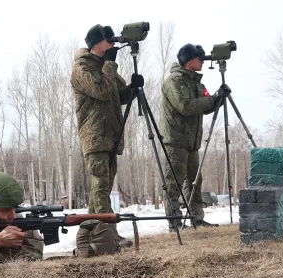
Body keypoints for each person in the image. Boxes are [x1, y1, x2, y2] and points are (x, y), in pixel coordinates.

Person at [70, 23, 143, 247]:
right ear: (96, 43)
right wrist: (110, 63)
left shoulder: (104, 65)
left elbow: (116, 93)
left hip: (110, 134)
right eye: (108, 41)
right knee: (101, 184)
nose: (112, 44)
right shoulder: (82, 68)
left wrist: (132, 88)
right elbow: (100, 90)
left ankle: (94, 235)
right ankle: (109, 235)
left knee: (101, 187)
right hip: (95, 135)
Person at [160, 43, 231, 231]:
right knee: (173, 182)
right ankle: (174, 222)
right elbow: (185, 106)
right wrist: (211, 99)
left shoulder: (195, 82)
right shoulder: (173, 81)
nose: (202, 61)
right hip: (175, 140)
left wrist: (217, 99)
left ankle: (197, 218)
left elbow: (204, 107)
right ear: (189, 60)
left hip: (191, 141)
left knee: (194, 181)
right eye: (199, 58)